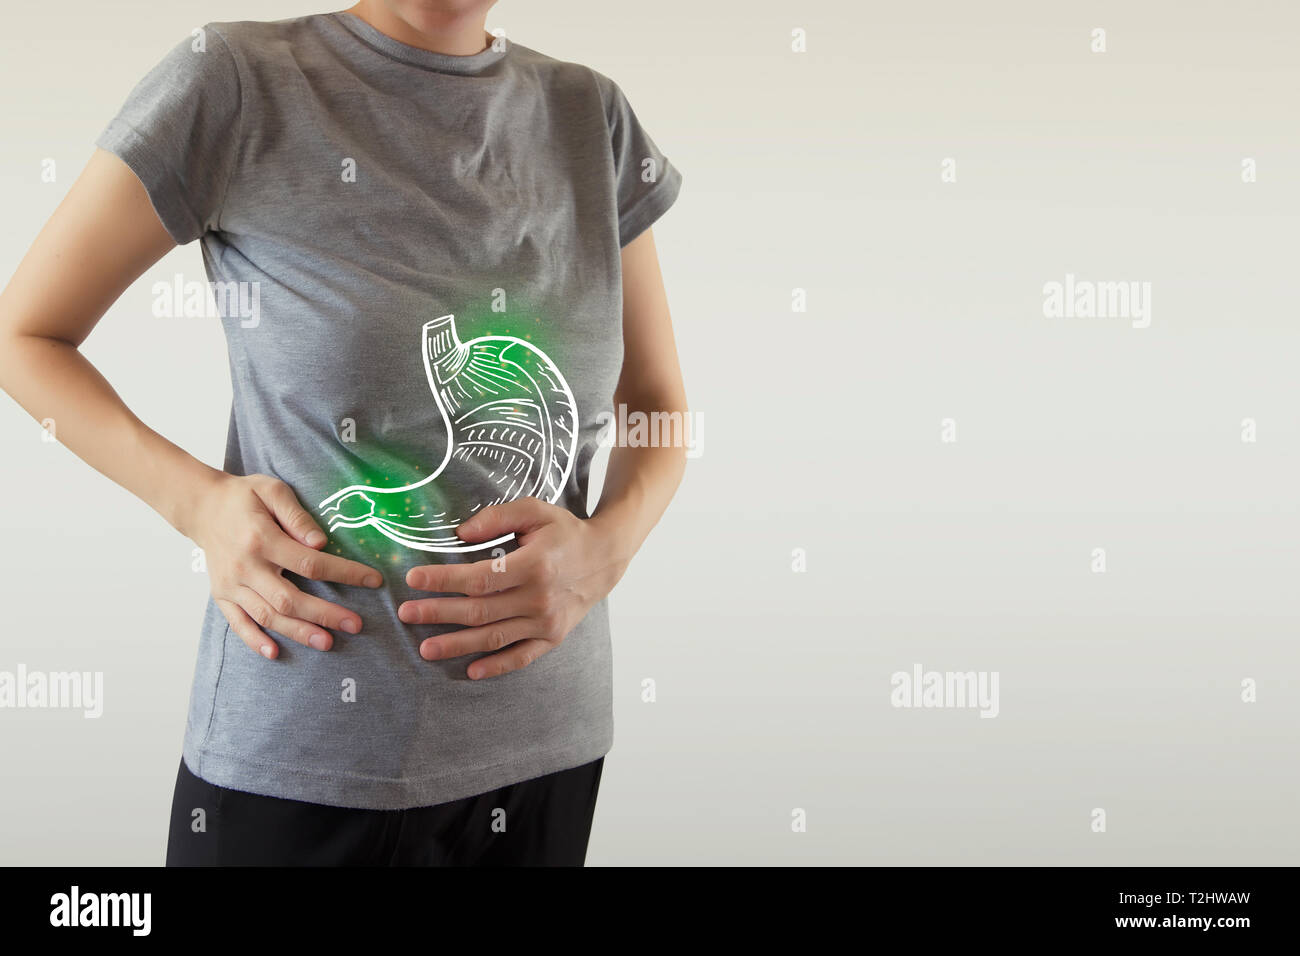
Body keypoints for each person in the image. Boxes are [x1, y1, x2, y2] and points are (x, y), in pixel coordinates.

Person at [0, 0, 687, 866]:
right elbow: (22, 336)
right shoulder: (236, 81)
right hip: (305, 764)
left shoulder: (592, 116)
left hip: (544, 752)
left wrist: (607, 552)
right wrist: (196, 504)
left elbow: (658, 400)